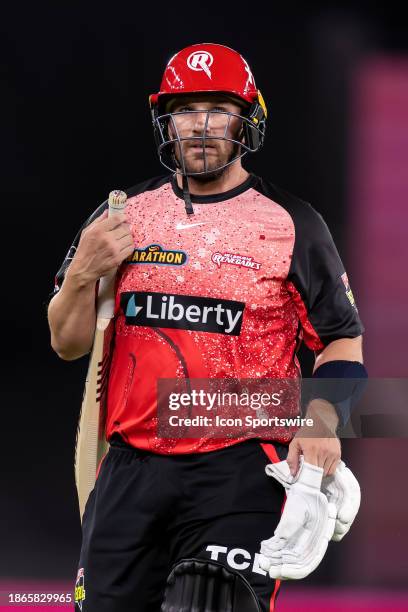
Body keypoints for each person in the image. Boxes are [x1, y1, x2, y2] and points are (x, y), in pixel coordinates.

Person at [47, 43, 365, 612]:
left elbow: (341, 337)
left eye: (220, 109)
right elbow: (66, 343)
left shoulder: (293, 224)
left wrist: (321, 422)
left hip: (239, 470)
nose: (201, 126)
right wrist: (80, 275)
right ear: (165, 121)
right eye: (186, 110)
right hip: (130, 469)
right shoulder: (123, 214)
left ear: (248, 120)